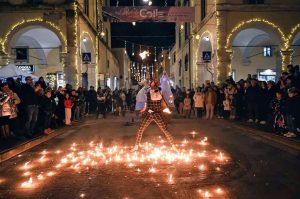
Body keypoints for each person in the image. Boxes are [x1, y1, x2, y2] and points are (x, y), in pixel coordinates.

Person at [133, 80, 175, 151]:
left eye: (153, 85)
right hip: (151, 114)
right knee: (140, 129)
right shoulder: (150, 93)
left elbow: (162, 103)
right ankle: (136, 146)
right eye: (151, 85)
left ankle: (173, 146)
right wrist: (144, 110)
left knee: (165, 130)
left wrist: (166, 109)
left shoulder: (158, 94)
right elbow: (148, 105)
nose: (152, 87)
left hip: (156, 114)